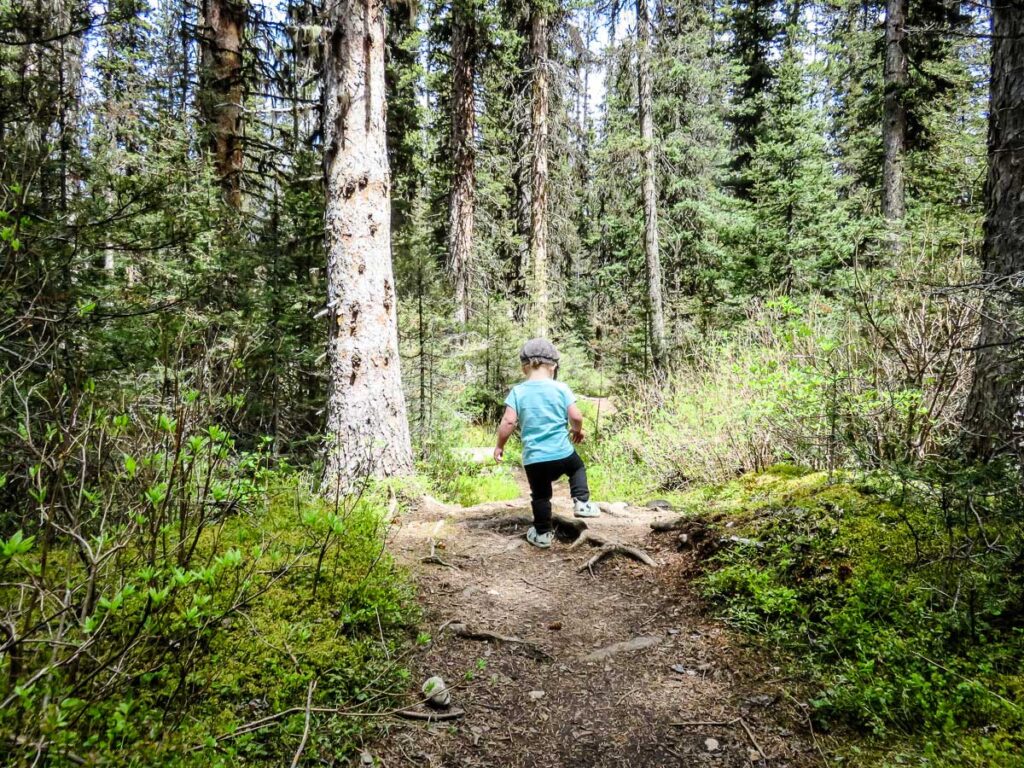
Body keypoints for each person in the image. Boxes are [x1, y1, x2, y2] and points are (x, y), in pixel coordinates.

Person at [493, 339, 600, 548]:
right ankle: (582, 503)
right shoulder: (561, 388)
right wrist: (577, 431)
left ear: (524, 367)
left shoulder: (518, 392)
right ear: (553, 366)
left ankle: (542, 533)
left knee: (540, 496)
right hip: (563, 454)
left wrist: (500, 445)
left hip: (535, 459)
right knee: (577, 468)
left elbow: (508, 421)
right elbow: (576, 416)